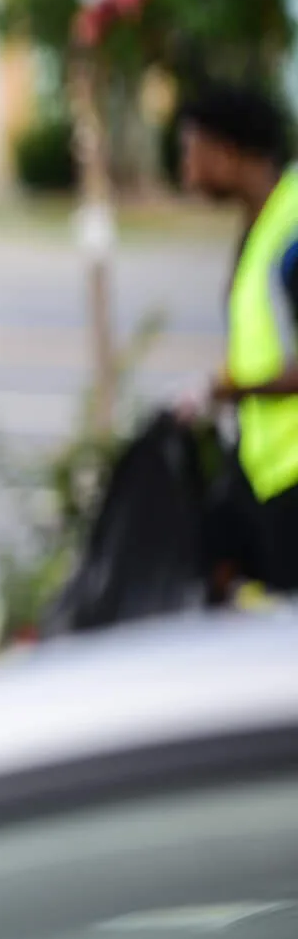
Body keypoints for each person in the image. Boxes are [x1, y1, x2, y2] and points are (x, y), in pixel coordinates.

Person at [176, 81, 298, 593]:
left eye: (193, 152)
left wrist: (225, 390)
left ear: (228, 153)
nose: (187, 170)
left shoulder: (291, 230)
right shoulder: (265, 223)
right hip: (265, 470)